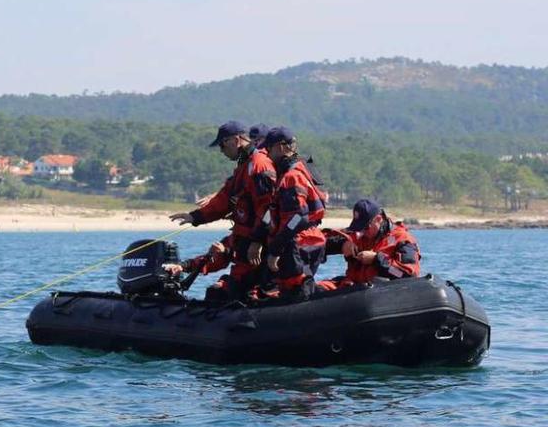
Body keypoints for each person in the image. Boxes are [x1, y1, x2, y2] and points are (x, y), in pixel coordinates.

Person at [168, 121, 276, 300]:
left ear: (236, 140)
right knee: (217, 293)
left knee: (236, 295)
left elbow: (269, 208)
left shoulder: (259, 165)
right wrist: (195, 216)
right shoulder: (243, 166)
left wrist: (257, 242)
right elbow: (223, 200)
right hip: (243, 250)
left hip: (258, 252)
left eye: (222, 144)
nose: (221, 150)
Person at [263, 127, 328, 299]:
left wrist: (276, 249)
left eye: (269, 149)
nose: (267, 156)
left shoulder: (291, 176)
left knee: (296, 289)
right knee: (297, 286)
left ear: (281, 147)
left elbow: (297, 217)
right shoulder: (303, 169)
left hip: (299, 243)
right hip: (312, 239)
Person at [319, 199, 421, 290]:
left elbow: (406, 276)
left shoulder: (402, 239)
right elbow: (320, 240)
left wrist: (376, 259)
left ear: (378, 219)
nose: (363, 232)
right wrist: (343, 245)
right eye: (359, 228)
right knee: (317, 289)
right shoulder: (357, 235)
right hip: (353, 287)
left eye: (366, 227)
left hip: (382, 293)